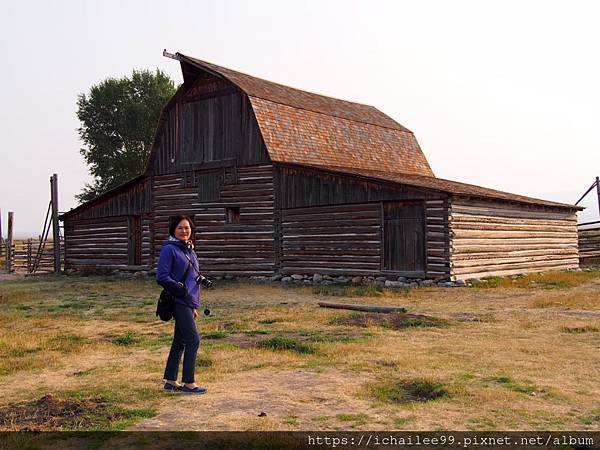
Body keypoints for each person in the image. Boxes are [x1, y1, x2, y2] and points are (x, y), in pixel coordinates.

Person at [156, 215, 207, 395]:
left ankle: (170, 381)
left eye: (187, 228)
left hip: (187, 302)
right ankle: (189, 383)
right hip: (177, 300)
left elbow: (193, 278)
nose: (184, 231)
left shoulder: (189, 250)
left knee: (181, 340)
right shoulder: (169, 250)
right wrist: (180, 290)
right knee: (193, 339)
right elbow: (162, 276)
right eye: (180, 228)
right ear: (173, 230)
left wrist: (193, 305)